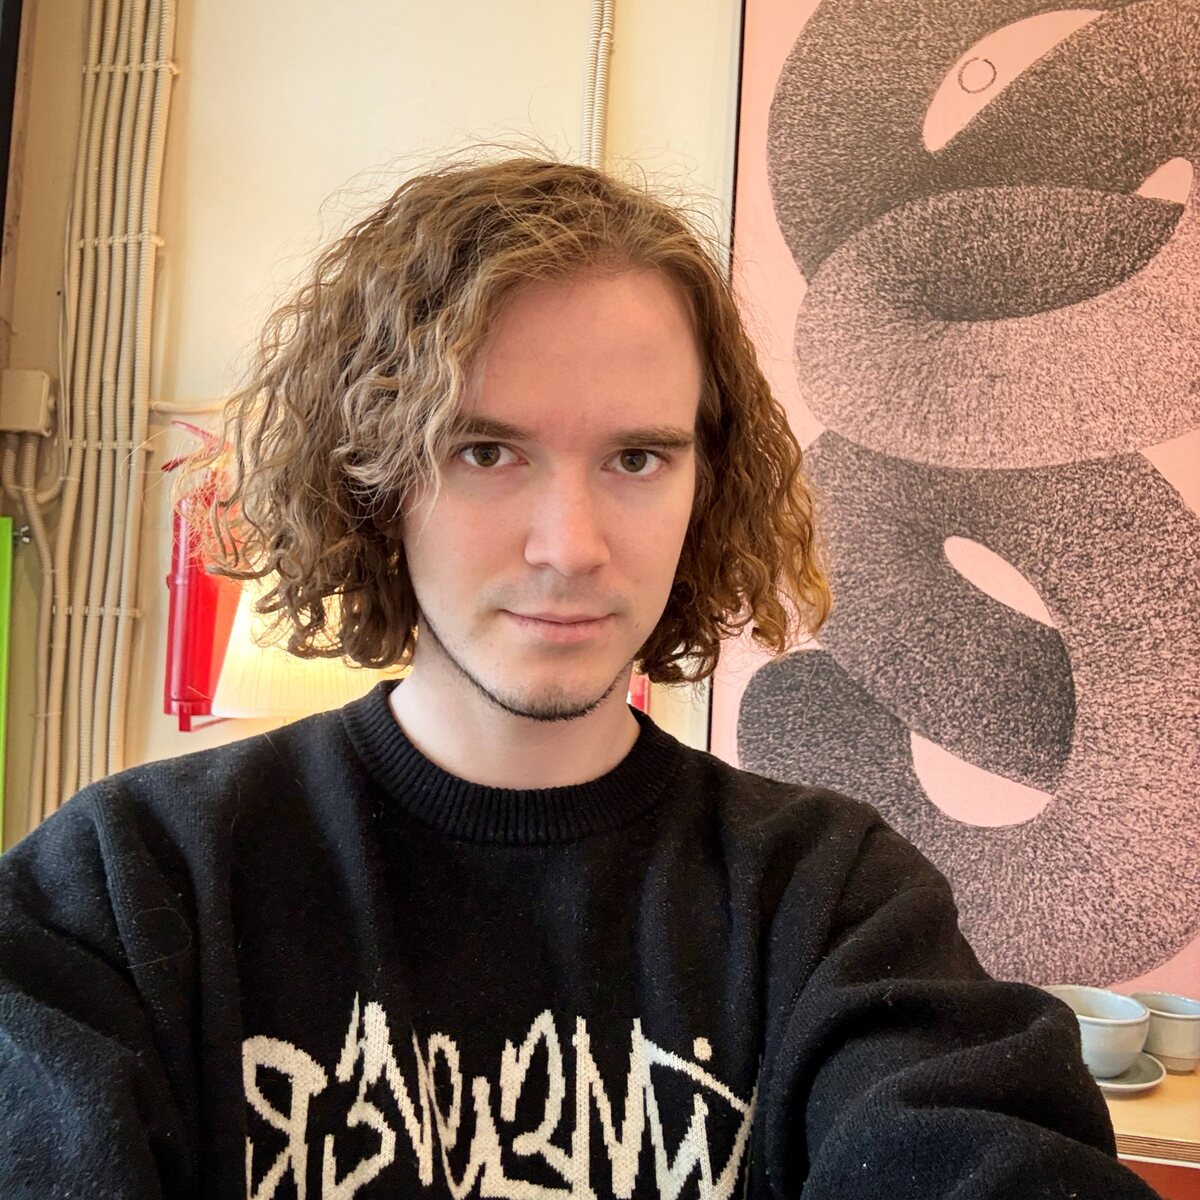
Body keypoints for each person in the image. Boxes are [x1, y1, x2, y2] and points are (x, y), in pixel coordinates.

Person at [0, 156, 1160, 1200]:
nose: (571, 546)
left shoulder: (831, 900)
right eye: (486, 450)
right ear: (375, 478)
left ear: (705, 485)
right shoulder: (129, 886)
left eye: (637, 457)